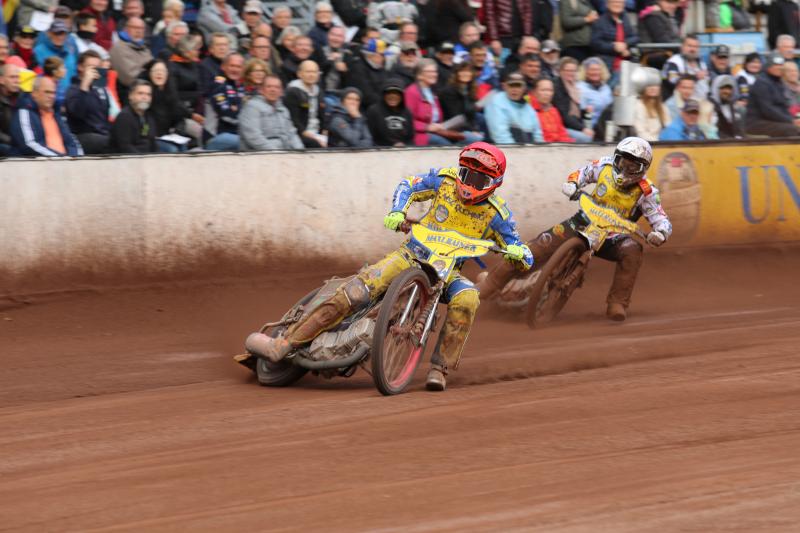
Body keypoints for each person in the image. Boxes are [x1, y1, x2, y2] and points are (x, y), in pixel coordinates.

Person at [245, 142, 533, 391]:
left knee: (468, 297)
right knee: (357, 291)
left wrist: (520, 252)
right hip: (411, 255)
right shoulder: (444, 181)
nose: (470, 183)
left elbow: (521, 248)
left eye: (480, 180)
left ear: (494, 184)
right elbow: (408, 184)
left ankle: (440, 368)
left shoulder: (498, 214)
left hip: (449, 273)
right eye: (467, 174)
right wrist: (398, 211)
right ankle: (286, 343)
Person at [477, 137, 671, 322]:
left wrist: (660, 232)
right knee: (536, 247)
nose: (624, 169)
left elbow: (660, 217)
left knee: (633, 250)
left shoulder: (647, 192)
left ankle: (618, 303)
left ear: (643, 169)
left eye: (632, 166)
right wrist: (572, 184)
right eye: (622, 162)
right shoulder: (604, 166)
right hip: (581, 222)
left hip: (614, 237)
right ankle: (489, 285)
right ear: (615, 158)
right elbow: (583, 173)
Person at [11, 76, 84, 156]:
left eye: (53, 93)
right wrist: (59, 159)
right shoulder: (24, 112)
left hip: (64, 163)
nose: (51, 96)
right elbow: (29, 144)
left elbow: (72, 141)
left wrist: (75, 159)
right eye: (47, 92)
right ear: (34, 94)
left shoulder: (57, 114)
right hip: (38, 165)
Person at [238, 74, 304, 150]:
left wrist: (300, 151)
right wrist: (276, 153)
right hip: (259, 155)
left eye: (277, 87)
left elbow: (292, 134)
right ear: (261, 90)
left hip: (284, 154)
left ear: (281, 92)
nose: (273, 90)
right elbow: (253, 137)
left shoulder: (284, 110)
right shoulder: (251, 107)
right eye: (269, 86)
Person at [65, 50, 112, 154]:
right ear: (80, 67)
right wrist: (84, 86)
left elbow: (105, 119)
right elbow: (77, 113)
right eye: (91, 67)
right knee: (110, 143)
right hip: (81, 136)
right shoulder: (73, 90)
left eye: (98, 67)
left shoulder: (101, 89)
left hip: (102, 135)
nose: (95, 70)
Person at [745, 53, 800, 137]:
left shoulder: (779, 82)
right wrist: (790, 121)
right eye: (776, 65)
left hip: (773, 121)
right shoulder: (761, 83)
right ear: (768, 66)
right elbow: (768, 110)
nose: (779, 67)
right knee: (791, 129)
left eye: (781, 65)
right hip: (756, 123)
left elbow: (784, 106)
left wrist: (794, 119)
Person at [484, 72, 544, 144]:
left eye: (518, 85)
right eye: (511, 85)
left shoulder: (529, 108)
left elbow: (538, 135)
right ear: (504, 86)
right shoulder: (496, 102)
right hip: (504, 149)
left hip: (529, 149)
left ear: (524, 87)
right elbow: (500, 137)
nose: (515, 89)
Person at [204, 52, 246, 150]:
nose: (235, 70)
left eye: (238, 67)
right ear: (223, 67)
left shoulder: (241, 86)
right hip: (216, 136)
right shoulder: (217, 85)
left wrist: (237, 109)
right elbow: (227, 114)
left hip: (236, 134)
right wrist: (241, 112)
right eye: (232, 66)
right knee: (249, 142)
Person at [110, 17, 153, 104]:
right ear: (126, 29)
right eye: (135, 27)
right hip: (128, 95)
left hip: (147, 91)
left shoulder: (145, 49)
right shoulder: (119, 48)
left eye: (141, 28)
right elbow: (128, 78)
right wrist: (148, 73)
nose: (138, 31)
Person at [284, 59, 327, 147]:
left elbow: (321, 115)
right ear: (299, 74)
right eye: (308, 72)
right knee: (315, 145)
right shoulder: (293, 92)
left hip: (316, 132)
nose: (311, 75)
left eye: (315, 72)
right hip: (300, 133)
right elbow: (293, 119)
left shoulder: (319, 91)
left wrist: (325, 131)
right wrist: (308, 134)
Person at [590, 0, 638, 77]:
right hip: (607, 62)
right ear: (607, 4)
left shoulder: (626, 19)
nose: (617, 4)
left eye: (620, 2)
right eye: (614, 2)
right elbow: (595, 43)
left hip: (625, 61)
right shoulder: (600, 21)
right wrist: (613, 47)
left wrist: (625, 45)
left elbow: (635, 37)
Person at [110, 79, 157, 153]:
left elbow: (151, 142)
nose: (145, 97)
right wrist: (143, 160)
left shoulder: (148, 118)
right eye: (140, 93)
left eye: (148, 94)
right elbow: (125, 147)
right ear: (130, 96)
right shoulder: (124, 117)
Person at [553, 57, 594, 142]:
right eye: (568, 70)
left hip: (572, 124)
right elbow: (563, 115)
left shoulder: (574, 87)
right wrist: (582, 128)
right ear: (561, 71)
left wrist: (585, 112)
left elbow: (575, 114)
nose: (571, 73)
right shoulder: (557, 87)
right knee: (586, 138)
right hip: (562, 126)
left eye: (574, 71)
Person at [366, 78, 414, 146]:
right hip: (381, 150)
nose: (393, 96)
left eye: (397, 93)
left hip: (405, 150)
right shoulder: (374, 111)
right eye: (389, 93)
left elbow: (411, 138)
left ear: (402, 96)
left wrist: (405, 146)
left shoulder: (407, 112)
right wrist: (391, 145)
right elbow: (371, 137)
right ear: (384, 95)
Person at [662, 34, 709, 100]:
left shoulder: (701, 63)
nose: (693, 49)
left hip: (700, 103)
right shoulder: (674, 62)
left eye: (696, 47)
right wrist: (695, 77)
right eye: (689, 46)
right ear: (682, 47)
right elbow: (672, 80)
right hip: (678, 103)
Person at [529, 77, 575, 143]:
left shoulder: (554, 110)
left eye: (550, 90)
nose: (547, 94)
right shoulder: (529, 110)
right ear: (534, 92)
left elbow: (562, 132)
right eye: (543, 90)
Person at [577, 57, 612, 129]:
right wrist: (588, 128)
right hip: (592, 126)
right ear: (585, 72)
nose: (595, 72)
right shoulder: (580, 88)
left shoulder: (606, 88)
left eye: (598, 70)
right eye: (592, 70)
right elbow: (584, 112)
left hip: (608, 124)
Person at [632, 77, 668, 142]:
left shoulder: (663, 106)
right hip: (645, 144)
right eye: (649, 85)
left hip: (662, 143)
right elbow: (641, 132)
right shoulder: (639, 105)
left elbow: (668, 127)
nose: (653, 88)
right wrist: (658, 142)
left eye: (655, 85)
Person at [709, 74, 744, 139]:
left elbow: (738, 128)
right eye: (723, 88)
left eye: (729, 88)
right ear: (716, 88)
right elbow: (713, 130)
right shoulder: (709, 106)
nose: (727, 91)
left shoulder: (732, 106)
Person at [0, 63, 22, 156]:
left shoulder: (23, 97)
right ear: (1, 80)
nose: (16, 81)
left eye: (17, 77)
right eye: (12, 77)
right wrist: (15, 142)